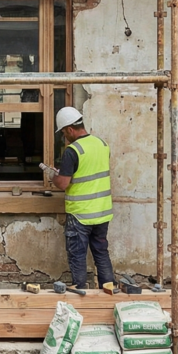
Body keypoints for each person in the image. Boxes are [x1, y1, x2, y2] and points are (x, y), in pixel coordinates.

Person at [43, 106, 114, 290]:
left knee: (78, 255)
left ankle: (80, 291)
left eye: (64, 133)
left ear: (70, 129)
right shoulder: (102, 144)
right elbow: (89, 171)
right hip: (102, 212)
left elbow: (63, 184)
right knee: (101, 253)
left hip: (81, 214)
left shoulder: (72, 151)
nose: (64, 137)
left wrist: (53, 175)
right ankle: (108, 291)